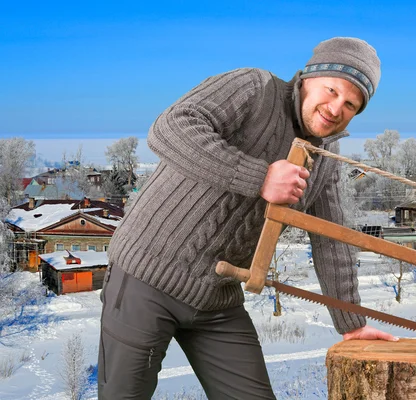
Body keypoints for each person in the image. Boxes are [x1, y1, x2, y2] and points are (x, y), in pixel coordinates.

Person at [98, 37, 397, 400]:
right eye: (331, 90)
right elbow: (170, 128)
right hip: (146, 278)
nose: (335, 108)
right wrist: (260, 178)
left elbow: (330, 240)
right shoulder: (255, 88)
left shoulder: (327, 159)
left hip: (216, 299)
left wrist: (351, 323)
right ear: (307, 79)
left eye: (350, 104)